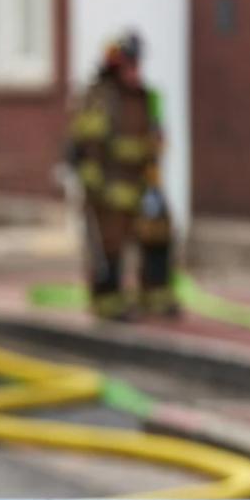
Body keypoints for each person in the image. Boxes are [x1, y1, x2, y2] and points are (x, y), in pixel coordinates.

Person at [67, 32, 177, 320]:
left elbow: (155, 138)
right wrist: (94, 186)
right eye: (130, 63)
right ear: (116, 65)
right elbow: (87, 144)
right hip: (109, 187)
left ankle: (155, 296)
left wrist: (153, 168)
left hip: (142, 184)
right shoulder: (100, 97)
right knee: (109, 245)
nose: (135, 69)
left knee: (159, 233)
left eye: (137, 62)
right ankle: (108, 304)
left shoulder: (145, 97)